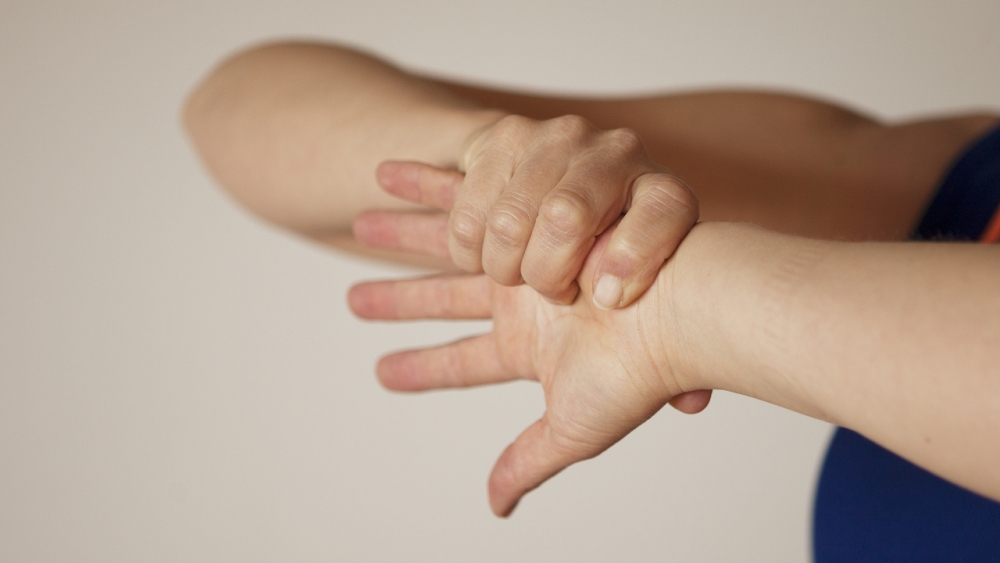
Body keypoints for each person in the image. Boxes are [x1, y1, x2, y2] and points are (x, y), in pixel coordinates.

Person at [183, 41, 1000, 561]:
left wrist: (687, 306)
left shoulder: (676, 285)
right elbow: (230, 106)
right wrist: (492, 160)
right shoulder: (971, 180)